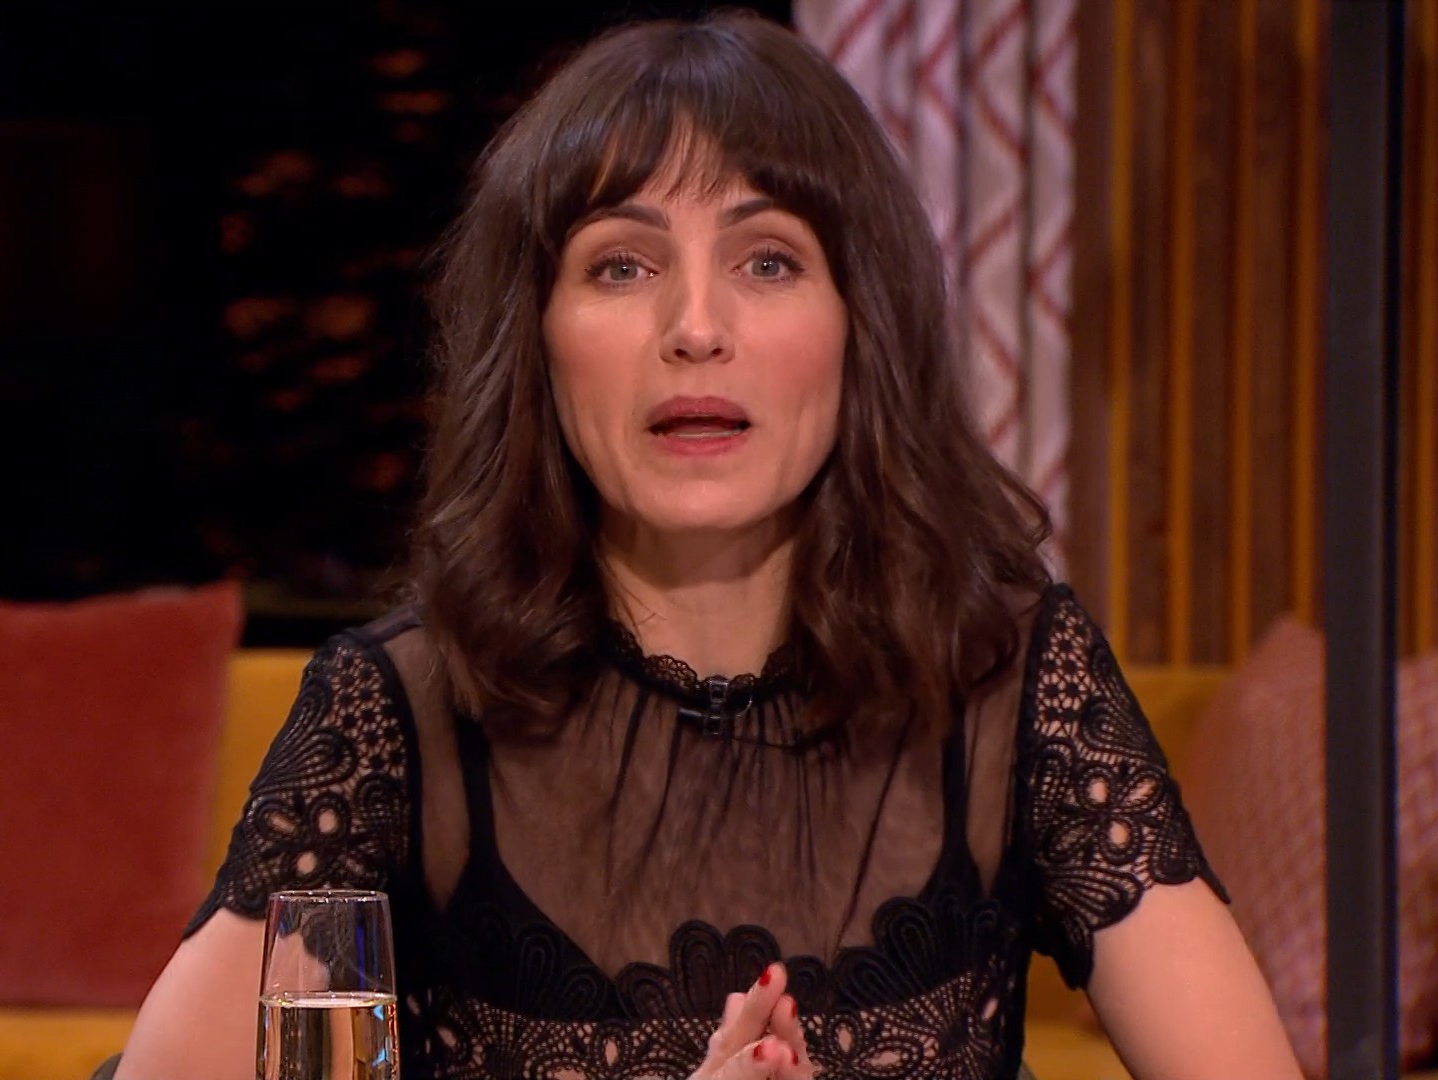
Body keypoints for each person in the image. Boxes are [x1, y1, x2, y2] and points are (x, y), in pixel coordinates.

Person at [119, 10, 1303, 1079]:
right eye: (622, 265)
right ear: (537, 343)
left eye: (768, 260)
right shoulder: (396, 715)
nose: (694, 327)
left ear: (863, 329)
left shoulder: (1012, 679)